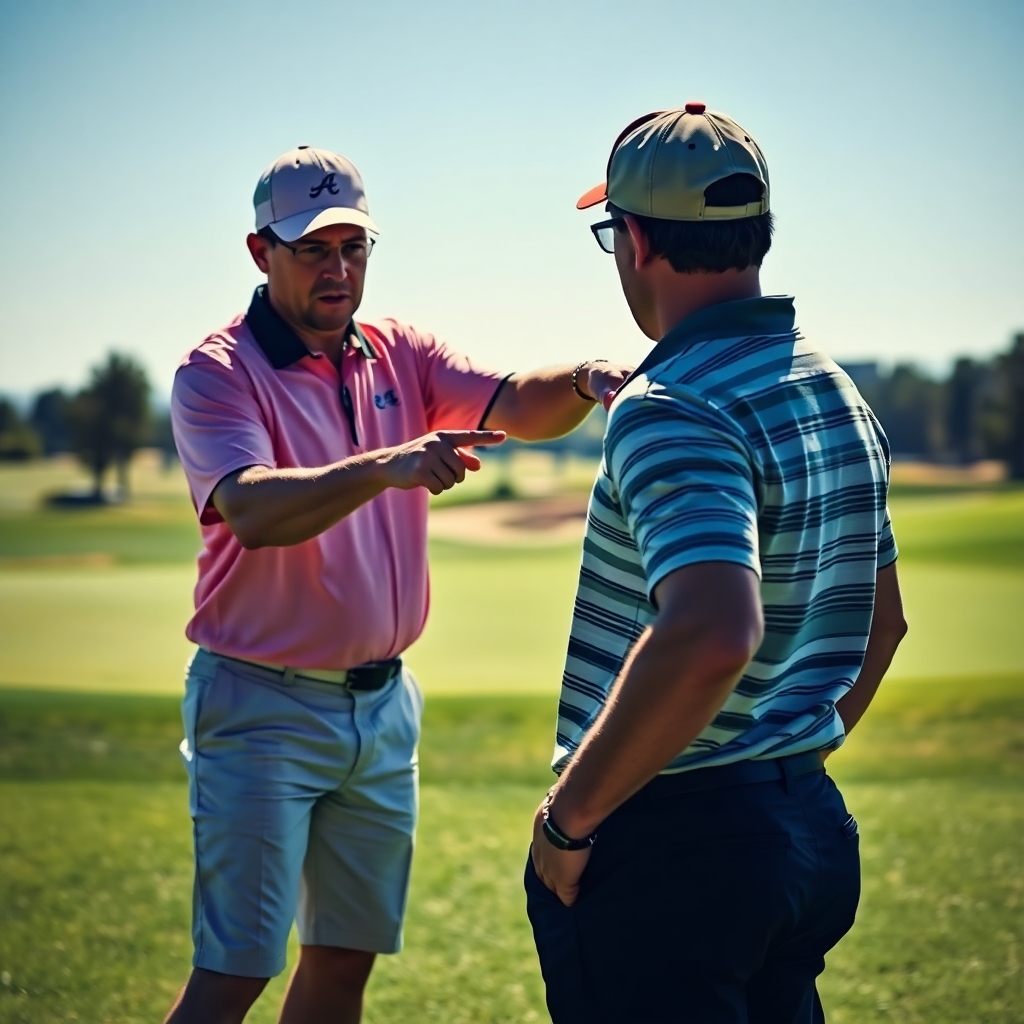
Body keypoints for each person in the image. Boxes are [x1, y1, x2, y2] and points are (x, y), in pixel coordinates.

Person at [164, 145, 632, 1024]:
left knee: (344, 963)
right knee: (235, 973)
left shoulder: (398, 352)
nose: (338, 269)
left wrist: (578, 379)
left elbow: (511, 402)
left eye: (354, 247)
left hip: (383, 708)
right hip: (260, 705)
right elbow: (252, 510)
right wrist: (385, 465)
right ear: (261, 252)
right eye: (313, 249)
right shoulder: (217, 372)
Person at [526, 104, 909, 1024]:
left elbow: (711, 632)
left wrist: (568, 820)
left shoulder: (670, 403)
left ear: (638, 239)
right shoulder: (831, 386)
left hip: (672, 841)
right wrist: (781, 767)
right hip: (804, 822)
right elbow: (884, 622)